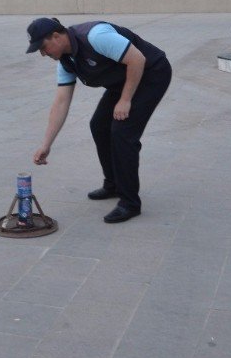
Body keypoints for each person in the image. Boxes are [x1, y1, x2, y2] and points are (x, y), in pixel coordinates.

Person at [26, 17, 172, 223]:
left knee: (122, 133)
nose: (43, 54)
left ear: (56, 36)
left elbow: (137, 59)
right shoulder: (67, 62)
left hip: (151, 74)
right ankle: (112, 184)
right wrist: (46, 145)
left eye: (42, 47)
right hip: (123, 80)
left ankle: (129, 203)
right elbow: (61, 102)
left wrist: (125, 100)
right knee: (99, 126)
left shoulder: (95, 36)